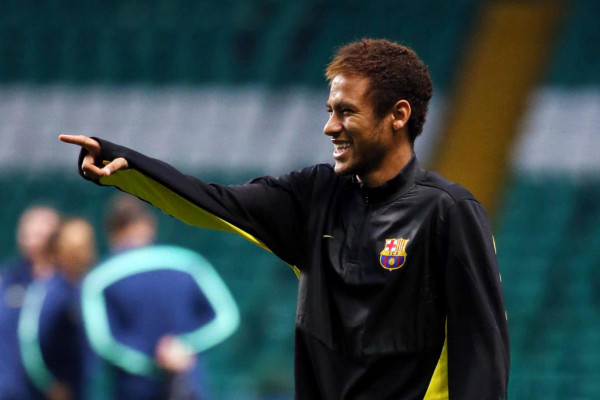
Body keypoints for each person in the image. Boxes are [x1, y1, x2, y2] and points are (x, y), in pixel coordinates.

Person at [60, 38, 510, 399]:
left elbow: (482, 348)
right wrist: (126, 167)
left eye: (346, 111)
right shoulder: (313, 197)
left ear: (398, 116)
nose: (329, 126)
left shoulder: (449, 213)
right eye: (329, 111)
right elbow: (217, 203)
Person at [79, 194, 239, 400]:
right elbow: (226, 317)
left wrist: (153, 359)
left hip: (134, 389)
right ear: (150, 224)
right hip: (188, 384)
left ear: (111, 232)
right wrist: (183, 347)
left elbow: (103, 341)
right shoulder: (188, 262)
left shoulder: (99, 277)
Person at [18, 217, 97, 400]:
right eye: (79, 248)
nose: (87, 253)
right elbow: (30, 340)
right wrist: (50, 384)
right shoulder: (53, 291)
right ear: (64, 250)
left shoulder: (82, 288)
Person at [0, 206, 61, 399]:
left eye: (41, 234)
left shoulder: (66, 284)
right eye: (28, 233)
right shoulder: (8, 279)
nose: (33, 240)